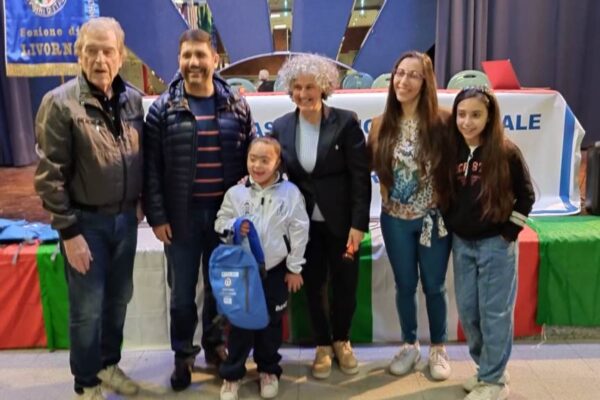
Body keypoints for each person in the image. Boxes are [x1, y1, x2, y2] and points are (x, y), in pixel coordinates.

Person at [33, 17, 143, 400]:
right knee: (87, 310)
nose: (100, 59)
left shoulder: (133, 100)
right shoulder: (58, 103)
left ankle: (108, 365)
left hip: (125, 221)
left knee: (118, 301)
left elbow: (140, 156)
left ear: (120, 56)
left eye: (108, 51)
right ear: (78, 54)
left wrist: (139, 205)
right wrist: (69, 233)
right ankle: (86, 383)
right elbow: (49, 175)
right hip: (85, 224)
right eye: (91, 50)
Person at [143, 28, 255, 391]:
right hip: (181, 219)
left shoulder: (236, 105)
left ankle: (214, 346)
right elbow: (151, 170)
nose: (193, 62)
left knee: (220, 288)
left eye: (200, 55)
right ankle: (183, 354)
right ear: (179, 60)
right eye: (187, 55)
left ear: (215, 59)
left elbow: (252, 157)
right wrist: (158, 217)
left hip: (225, 219)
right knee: (181, 295)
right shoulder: (163, 109)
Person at [270, 53, 371, 379]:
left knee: (345, 284)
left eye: (310, 86)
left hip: (345, 225)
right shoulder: (281, 127)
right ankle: (323, 345)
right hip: (303, 228)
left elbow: (360, 178)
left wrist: (358, 224)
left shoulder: (346, 122)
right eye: (297, 87)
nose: (303, 93)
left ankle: (342, 340)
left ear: (324, 87)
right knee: (313, 286)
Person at [434, 86, 534, 400]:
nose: (467, 121)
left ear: (489, 117)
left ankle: (493, 381)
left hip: (495, 245)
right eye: (462, 114)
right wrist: (450, 221)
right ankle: (489, 369)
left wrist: (508, 233)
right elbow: (444, 192)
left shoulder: (506, 151)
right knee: (468, 312)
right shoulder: (452, 152)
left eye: (476, 115)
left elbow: (527, 196)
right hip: (463, 244)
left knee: (495, 314)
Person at [367, 51, 452, 380]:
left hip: (433, 220)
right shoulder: (380, 124)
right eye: (399, 73)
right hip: (394, 220)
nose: (403, 81)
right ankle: (409, 344)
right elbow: (368, 166)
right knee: (404, 285)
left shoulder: (444, 122)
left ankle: (438, 347)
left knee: (434, 286)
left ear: (426, 81)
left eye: (413, 75)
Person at [215, 136, 310, 400]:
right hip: (243, 272)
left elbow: (300, 231)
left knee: (271, 324)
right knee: (239, 325)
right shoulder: (236, 193)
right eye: (253, 159)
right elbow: (220, 222)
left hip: (276, 271)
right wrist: (233, 226)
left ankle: (268, 370)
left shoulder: (290, 193)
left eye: (265, 160)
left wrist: (294, 268)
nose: (257, 166)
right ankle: (232, 375)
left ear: (277, 162)